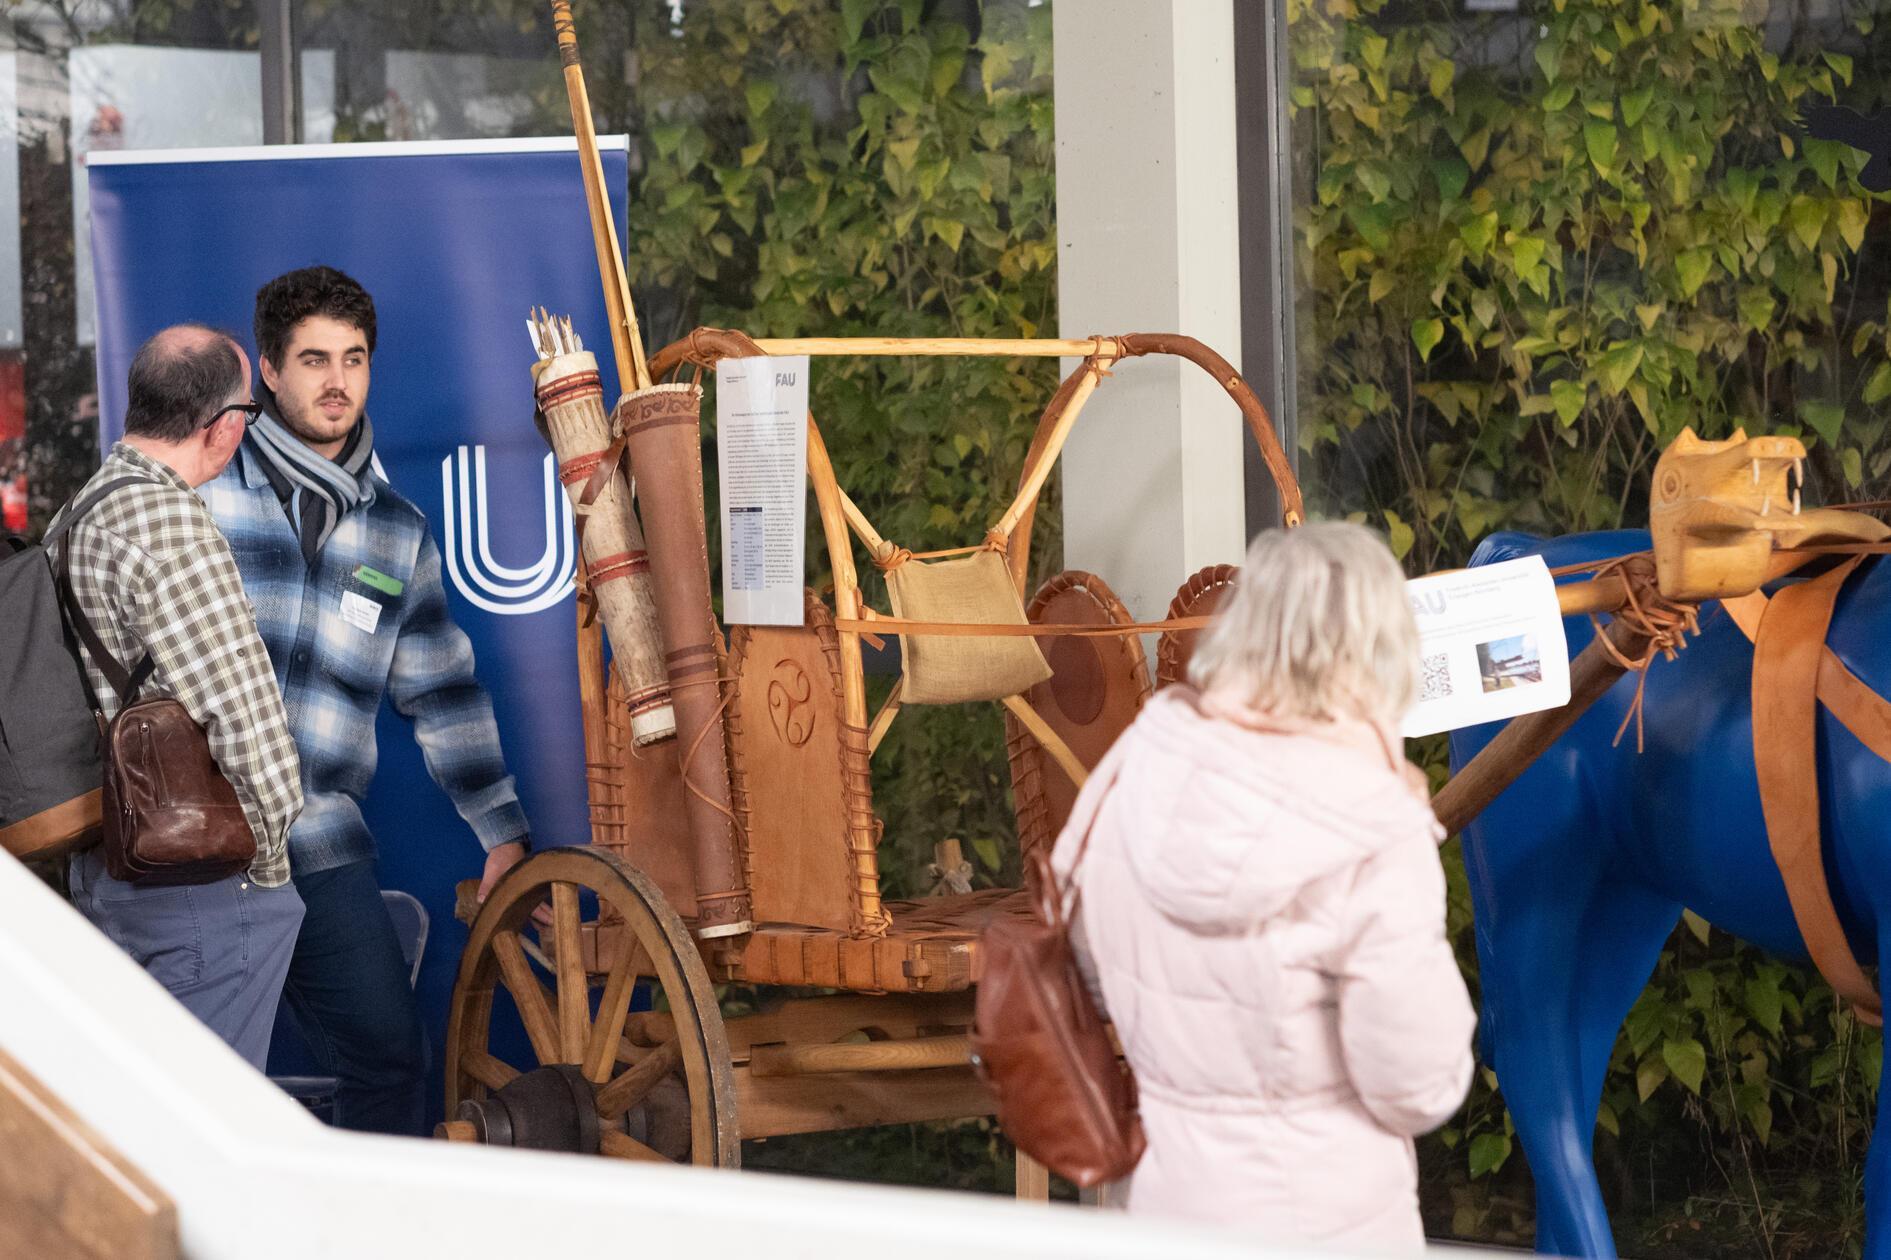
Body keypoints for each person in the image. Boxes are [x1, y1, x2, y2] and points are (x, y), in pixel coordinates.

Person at [1052, 521, 1475, 1252]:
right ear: (1377, 650)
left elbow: (1084, 960)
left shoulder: (1134, 774)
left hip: (1160, 1212)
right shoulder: (1373, 829)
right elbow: (1416, 1084)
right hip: (1332, 1226)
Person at [200, 266, 531, 1136]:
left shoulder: (397, 529)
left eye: (353, 359)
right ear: (267, 371)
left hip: (318, 837)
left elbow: (441, 688)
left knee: (390, 1058)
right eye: (313, 360)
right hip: (190, 837)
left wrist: (500, 829)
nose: (337, 381)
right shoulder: (198, 496)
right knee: (183, 1072)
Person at [54, 324, 306, 1072]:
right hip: (197, 882)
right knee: (208, 1144)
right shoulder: (167, 522)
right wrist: (268, 866)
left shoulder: (83, 508)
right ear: (225, 426)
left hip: (111, 867)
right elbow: (242, 712)